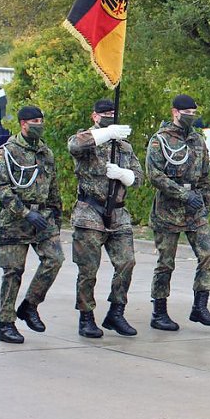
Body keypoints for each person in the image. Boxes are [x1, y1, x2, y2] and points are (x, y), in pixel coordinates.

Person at [68, 99, 143, 338]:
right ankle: (86, 317)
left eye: (113, 114)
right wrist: (105, 133)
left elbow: (139, 178)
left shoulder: (123, 148)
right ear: (95, 116)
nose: (110, 116)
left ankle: (116, 312)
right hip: (90, 212)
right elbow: (75, 146)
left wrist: (124, 175)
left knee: (126, 262)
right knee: (88, 269)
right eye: (105, 114)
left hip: (118, 212)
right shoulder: (88, 140)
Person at [145, 94, 210, 330]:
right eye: (187, 113)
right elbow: (154, 175)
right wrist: (183, 194)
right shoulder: (160, 140)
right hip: (168, 211)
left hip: (195, 211)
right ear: (175, 112)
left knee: (208, 255)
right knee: (166, 262)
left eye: (193, 113)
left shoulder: (197, 140)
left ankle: (200, 306)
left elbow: (205, 174)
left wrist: (207, 202)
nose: (191, 117)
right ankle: (159, 312)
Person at [0, 106, 64, 344]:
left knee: (54, 260)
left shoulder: (46, 152)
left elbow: (52, 187)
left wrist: (56, 215)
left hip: (42, 219)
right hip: (15, 221)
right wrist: (24, 212)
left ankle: (30, 305)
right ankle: (6, 323)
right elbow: (1, 188)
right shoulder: (7, 152)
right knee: (13, 272)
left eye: (41, 120)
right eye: (35, 121)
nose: (39, 124)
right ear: (23, 124)